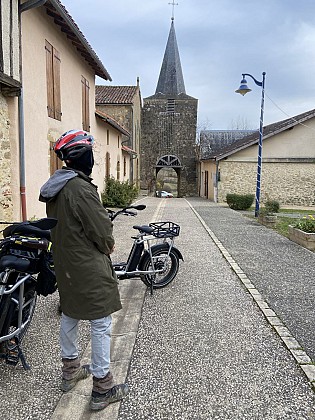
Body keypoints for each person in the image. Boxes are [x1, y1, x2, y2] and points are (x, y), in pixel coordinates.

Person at [39, 129, 129, 411]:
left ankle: (70, 371)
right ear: (84, 156)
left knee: (70, 314)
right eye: (91, 153)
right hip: (87, 265)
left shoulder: (56, 187)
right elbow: (102, 231)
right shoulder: (80, 188)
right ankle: (102, 388)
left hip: (65, 264)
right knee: (101, 323)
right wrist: (108, 244)